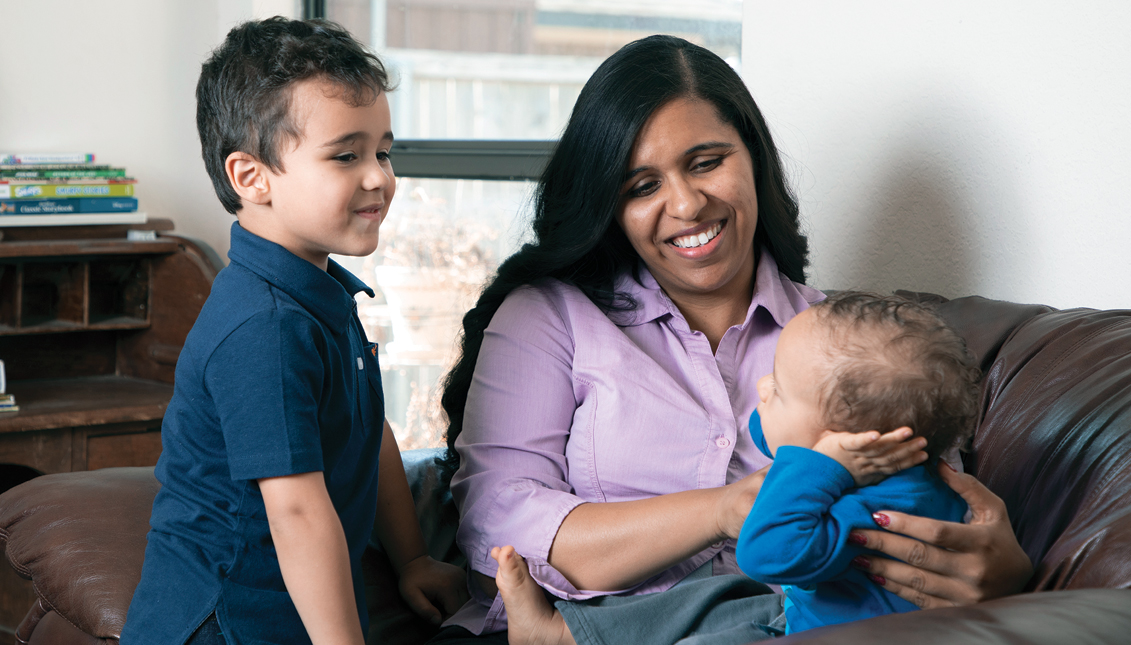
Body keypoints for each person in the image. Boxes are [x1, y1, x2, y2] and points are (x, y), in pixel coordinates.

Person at [432, 34, 1032, 645]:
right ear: (608, 207)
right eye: (642, 187)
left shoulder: (846, 344)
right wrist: (721, 511)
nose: (687, 204)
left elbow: (919, 491)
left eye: (705, 162)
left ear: (753, 158)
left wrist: (1000, 569)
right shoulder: (551, 318)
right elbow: (500, 522)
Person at [122, 18, 465, 645]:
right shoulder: (265, 327)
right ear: (252, 178)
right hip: (225, 626)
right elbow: (299, 512)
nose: (379, 177)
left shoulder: (322, 293)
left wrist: (412, 558)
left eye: (383, 152)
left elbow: (367, 430)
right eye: (345, 155)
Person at [735, 292, 978, 634]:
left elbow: (761, 556)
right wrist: (822, 459)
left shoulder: (884, 508)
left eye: (778, 391)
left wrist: (821, 465)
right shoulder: (885, 464)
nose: (762, 386)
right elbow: (780, 439)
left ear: (841, 440)